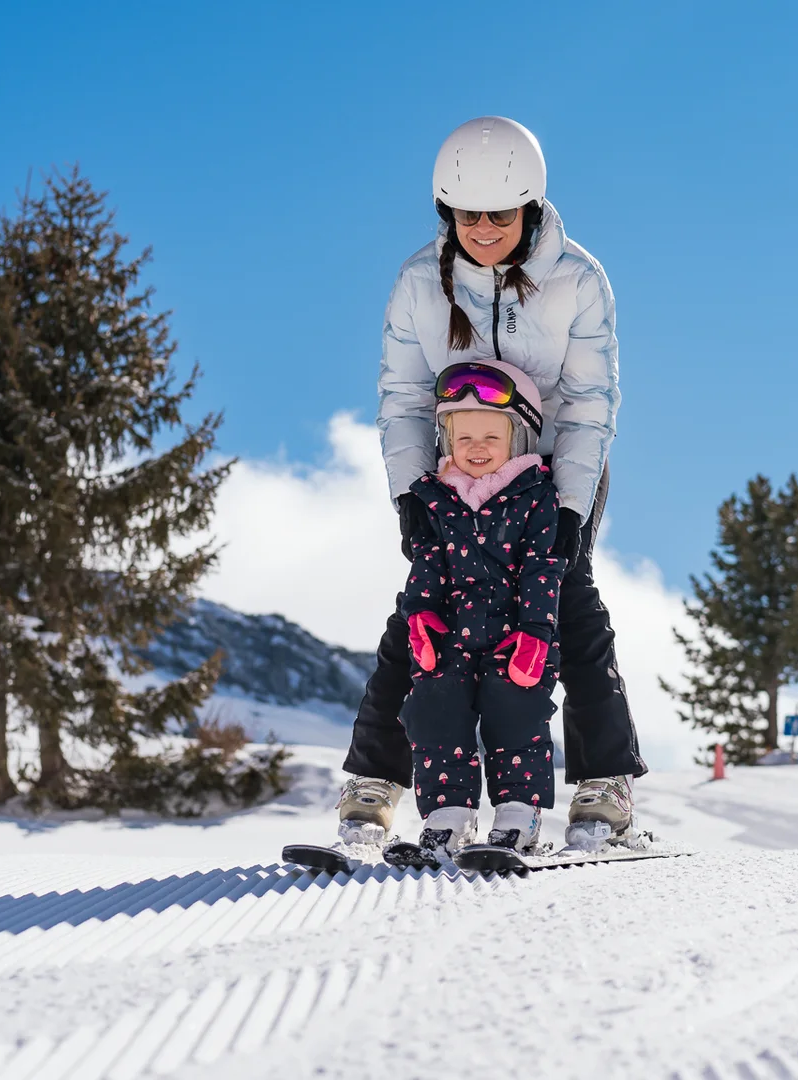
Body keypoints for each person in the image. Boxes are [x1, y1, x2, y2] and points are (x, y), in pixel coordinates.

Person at [338, 115, 645, 851]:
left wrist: (569, 507)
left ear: (529, 209)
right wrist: (410, 492)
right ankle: (375, 780)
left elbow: (589, 402)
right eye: (467, 214)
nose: (482, 230)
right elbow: (404, 397)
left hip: (557, 467)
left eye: (499, 215)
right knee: (423, 610)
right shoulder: (420, 281)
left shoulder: (578, 281)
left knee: (569, 602)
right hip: (456, 470)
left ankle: (605, 782)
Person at [384, 360, 565, 865]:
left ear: (519, 439)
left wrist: (536, 631)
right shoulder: (435, 498)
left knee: (516, 718)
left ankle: (518, 816)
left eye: (491, 436)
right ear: (447, 440)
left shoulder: (535, 497)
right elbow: (426, 560)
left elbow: (543, 565)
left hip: (516, 638)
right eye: (464, 437)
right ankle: (448, 818)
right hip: (450, 635)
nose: (476, 447)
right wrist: (420, 615)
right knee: (434, 714)